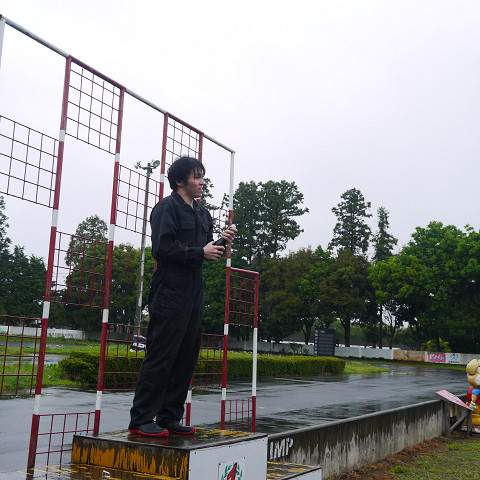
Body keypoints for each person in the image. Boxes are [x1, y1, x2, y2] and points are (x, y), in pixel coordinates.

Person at [128, 155, 236, 437]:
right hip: (169, 289)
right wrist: (200, 251)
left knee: (187, 355)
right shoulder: (166, 208)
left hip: (194, 290)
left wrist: (222, 242)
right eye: (196, 176)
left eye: (202, 176)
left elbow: (206, 251)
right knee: (162, 354)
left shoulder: (202, 213)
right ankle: (141, 419)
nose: (202, 182)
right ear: (179, 181)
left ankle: (169, 417)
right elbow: (161, 248)